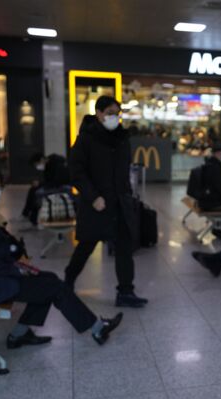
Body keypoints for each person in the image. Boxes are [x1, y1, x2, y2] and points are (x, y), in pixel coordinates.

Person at [0, 165, 123, 347]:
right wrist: (18, 271)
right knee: (51, 286)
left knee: (48, 281)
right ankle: (97, 328)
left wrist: (18, 263)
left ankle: (20, 334)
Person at [65, 95, 148, 308]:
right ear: (99, 113)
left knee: (124, 247)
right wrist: (93, 197)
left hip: (120, 202)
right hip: (97, 204)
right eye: (110, 113)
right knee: (86, 246)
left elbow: (125, 170)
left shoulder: (122, 138)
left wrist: (128, 196)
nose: (114, 118)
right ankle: (67, 284)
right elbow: (76, 171)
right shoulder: (86, 138)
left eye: (117, 114)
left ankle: (126, 292)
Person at [21, 152, 70, 225]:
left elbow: (58, 181)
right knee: (33, 189)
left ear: (41, 160)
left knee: (38, 193)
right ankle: (26, 214)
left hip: (62, 186)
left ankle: (32, 218)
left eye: (37, 164)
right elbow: (48, 180)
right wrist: (40, 184)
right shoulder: (47, 165)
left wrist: (41, 184)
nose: (37, 167)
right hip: (53, 185)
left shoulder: (58, 164)